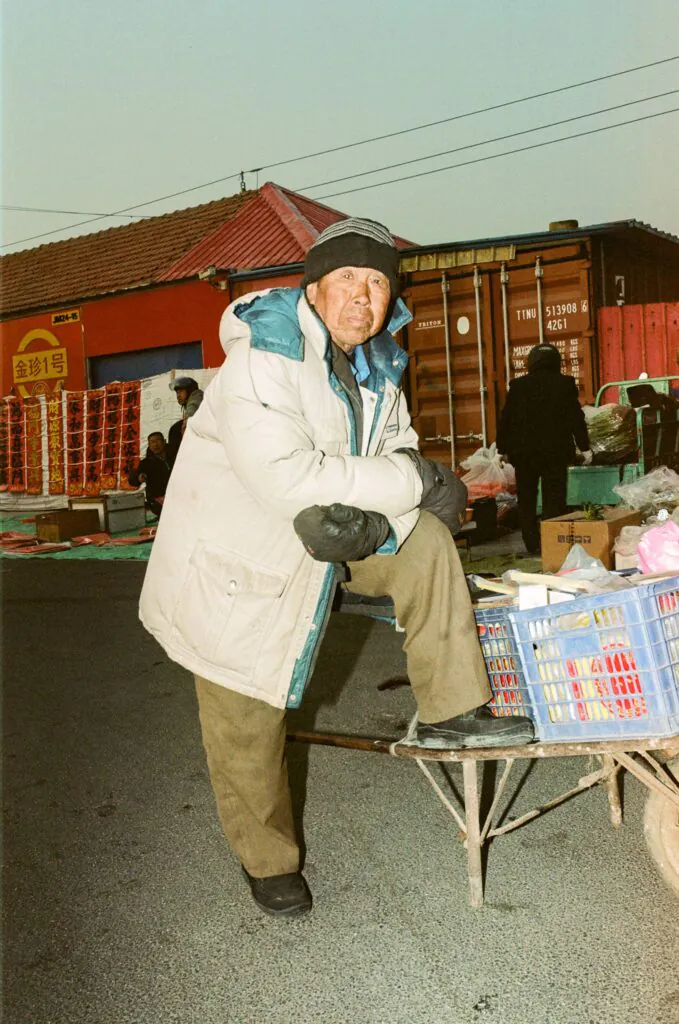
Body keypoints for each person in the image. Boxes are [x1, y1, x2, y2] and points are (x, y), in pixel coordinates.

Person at [139, 218, 534, 918]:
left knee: (425, 544)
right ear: (314, 289)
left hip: (337, 534)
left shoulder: (379, 368)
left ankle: (452, 709)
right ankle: (268, 861)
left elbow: (397, 451)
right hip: (240, 561)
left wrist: (386, 518)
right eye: (347, 278)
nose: (363, 296)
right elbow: (289, 480)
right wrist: (413, 483)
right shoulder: (263, 359)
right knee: (245, 719)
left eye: (378, 282)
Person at [496, 343, 592, 555]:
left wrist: (501, 449)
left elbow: (506, 420)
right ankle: (552, 544)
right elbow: (576, 418)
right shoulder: (565, 384)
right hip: (555, 454)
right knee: (554, 498)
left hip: (524, 455)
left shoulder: (518, 386)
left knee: (527, 499)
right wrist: (585, 447)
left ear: (532, 362)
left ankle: (531, 544)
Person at [128, 431, 172, 518]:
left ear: (164, 441)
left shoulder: (175, 456)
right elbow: (132, 480)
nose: (155, 444)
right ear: (149, 446)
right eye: (152, 442)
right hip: (157, 500)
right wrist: (138, 478)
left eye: (158, 440)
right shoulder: (145, 463)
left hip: (178, 495)